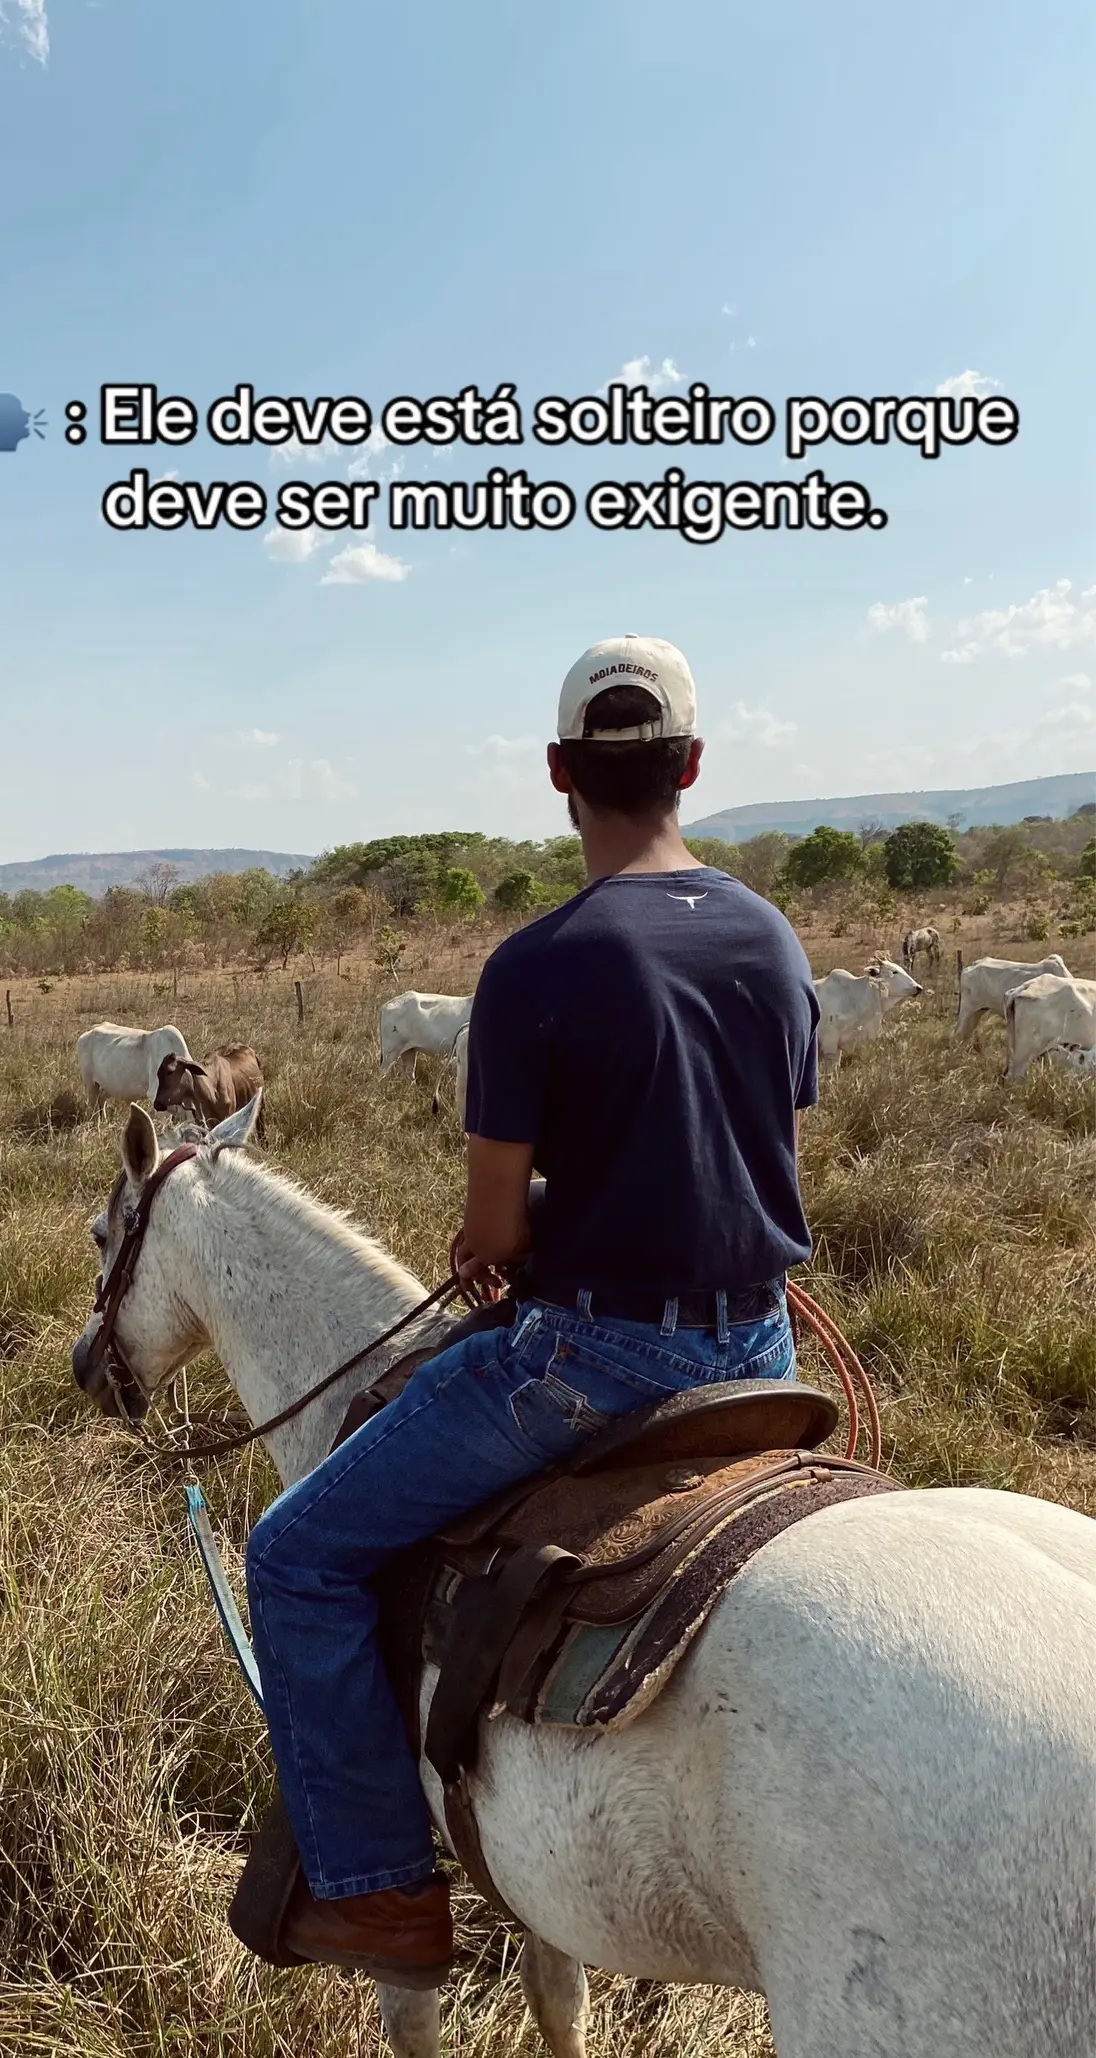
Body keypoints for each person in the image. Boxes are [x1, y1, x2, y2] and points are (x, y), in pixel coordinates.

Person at [243, 634, 820, 1988]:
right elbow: (753, 1146)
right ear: (692, 768)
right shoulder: (773, 936)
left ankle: (378, 1891)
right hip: (761, 1341)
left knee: (298, 1555)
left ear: (562, 777)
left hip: (592, 1361)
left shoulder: (534, 968)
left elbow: (499, 1232)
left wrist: (499, 1242)